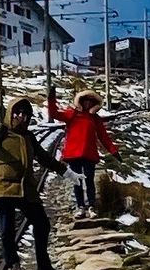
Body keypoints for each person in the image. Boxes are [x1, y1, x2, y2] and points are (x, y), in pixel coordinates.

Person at [0, 97, 62, 270]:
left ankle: (43, 265)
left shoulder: (29, 137)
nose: (22, 118)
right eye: (18, 113)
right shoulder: (0, 131)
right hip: (4, 186)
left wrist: (67, 172)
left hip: (26, 187)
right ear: (11, 113)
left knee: (42, 223)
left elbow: (44, 158)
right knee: (7, 227)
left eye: (26, 114)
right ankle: (13, 264)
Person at [49, 88, 117, 218]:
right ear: (80, 101)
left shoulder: (95, 119)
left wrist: (113, 151)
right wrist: (51, 99)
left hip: (89, 154)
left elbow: (104, 137)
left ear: (94, 104)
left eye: (91, 101)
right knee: (77, 181)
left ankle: (91, 206)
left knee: (89, 180)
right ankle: (80, 207)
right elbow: (54, 113)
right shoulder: (72, 114)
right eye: (85, 100)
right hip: (74, 155)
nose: (87, 103)